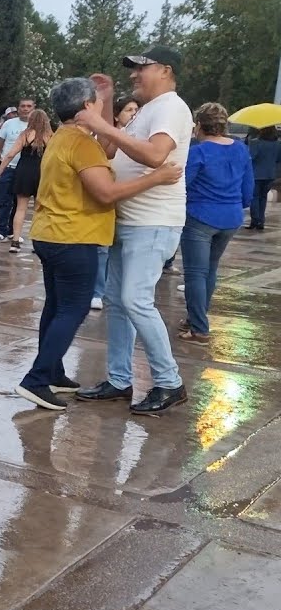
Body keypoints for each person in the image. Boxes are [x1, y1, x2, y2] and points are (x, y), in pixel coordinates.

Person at [14, 78, 182, 411]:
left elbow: (106, 147)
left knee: (56, 306)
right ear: (86, 108)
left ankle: (53, 371)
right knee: (73, 309)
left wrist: (103, 103)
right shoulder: (82, 144)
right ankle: (36, 379)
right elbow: (105, 193)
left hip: (51, 234)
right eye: (96, 103)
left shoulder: (64, 136)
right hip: (73, 237)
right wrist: (155, 177)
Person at [73, 46, 193, 415]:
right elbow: (112, 150)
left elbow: (156, 155)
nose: (133, 75)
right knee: (118, 302)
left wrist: (101, 124)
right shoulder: (146, 110)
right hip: (128, 220)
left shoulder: (172, 107)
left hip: (153, 221)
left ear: (166, 70)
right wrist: (106, 104)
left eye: (142, 68)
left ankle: (170, 382)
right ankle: (119, 379)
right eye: (132, 69)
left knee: (136, 300)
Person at [177, 102, 253, 345]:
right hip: (231, 218)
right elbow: (248, 188)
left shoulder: (198, 152)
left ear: (199, 125)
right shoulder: (240, 149)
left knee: (195, 274)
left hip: (200, 217)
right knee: (210, 270)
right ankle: (195, 318)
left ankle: (199, 327)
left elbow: (184, 185)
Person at [93, 96, 143, 309]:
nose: (133, 113)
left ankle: (113, 290)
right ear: (116, 114)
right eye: (129, 109)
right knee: (103, 249)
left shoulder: (139, 136)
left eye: (136, 110)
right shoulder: (106, 137)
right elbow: (103, 155)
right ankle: (97, 290)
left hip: (132, 203)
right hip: (109, 198)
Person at [0, 108, 53, 253]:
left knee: (20, 208)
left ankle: (15, 242)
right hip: (42, 174)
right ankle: (36, 243)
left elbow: (10, 155)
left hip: (23, 172)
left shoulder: (25, 134)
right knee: (39, 210)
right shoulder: (50, 136)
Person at [0, 98, 35, 243]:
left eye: (29, 106)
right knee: (4, 200)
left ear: (34, 107)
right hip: (8, 167)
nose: (25, 109)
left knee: (20, 203)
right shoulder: (9, 124)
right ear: (18, 108)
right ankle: (1, 230)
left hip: (26, 170)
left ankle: (13, 231)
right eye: (23, 106)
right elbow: (0, 144)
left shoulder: (37, 126)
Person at [248, 126, 279, 229]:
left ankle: (255, 221)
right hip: (270, 174)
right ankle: (261, 221)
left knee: (254, 197)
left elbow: (251, 156)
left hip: (256, 174)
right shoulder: (277, 143)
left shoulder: (255, 142)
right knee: (263, 197)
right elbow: (278, 158)